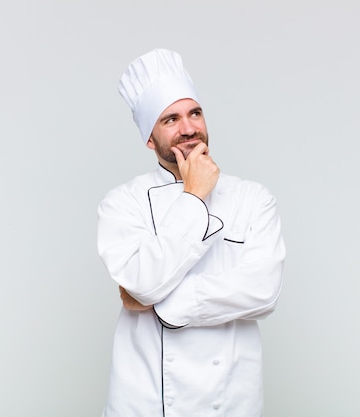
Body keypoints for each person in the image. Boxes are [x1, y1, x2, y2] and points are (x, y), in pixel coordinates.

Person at [97, 48, 286, 417]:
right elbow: (142, 281)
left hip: (230, 401)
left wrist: (158, 300)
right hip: (146, 403)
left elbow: (263, 291)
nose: (188, 128)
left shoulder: (253, 198)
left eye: (194, 113)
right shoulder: (122, 203)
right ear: (150, 139)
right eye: (170, 119)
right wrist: (195, 195)